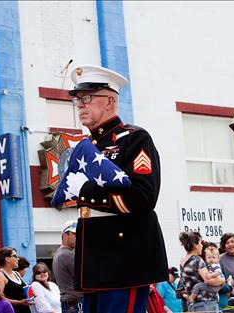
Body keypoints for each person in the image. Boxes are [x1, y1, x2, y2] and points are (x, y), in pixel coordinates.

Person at [67, 65, 168, 313]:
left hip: (125, 256)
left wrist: (87, 191)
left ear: (110, 101)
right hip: (95, 256)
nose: (80, 105)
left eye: (87, 98)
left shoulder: (134, 139)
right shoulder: (88, 146)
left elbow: (144, 198)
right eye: (78, 100)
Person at [179, 231, 224, 312]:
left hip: (193, 305)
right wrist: (222, 281)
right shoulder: (197, 260)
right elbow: (208, 280)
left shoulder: (182, 261)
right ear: (195, 245)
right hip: (206, 303)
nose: (202, 246)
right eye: (200, 243)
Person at [52, 220, 83, 313]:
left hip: (70, 303)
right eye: (75, 234)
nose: (79, 238)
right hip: (75, 303)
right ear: (65, 235)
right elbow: (83, 278)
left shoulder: (60, 253)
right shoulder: (68, 254)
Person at [189, 244, 229, 310]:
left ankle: (192, 298)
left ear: (218, 258)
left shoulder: (215, 265)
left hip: (214, 286)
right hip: (216, 287)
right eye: (209, 257)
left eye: (214, 257)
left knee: (198, 286)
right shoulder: (208, 266)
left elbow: (218, 272)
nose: (211, 259)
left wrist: (211, 275)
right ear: (205, 258)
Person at [0, 247, 30, 313]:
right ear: (7, 259)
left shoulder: (16, 273)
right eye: (15, 256)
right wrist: (19, 302)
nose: (18, 259)